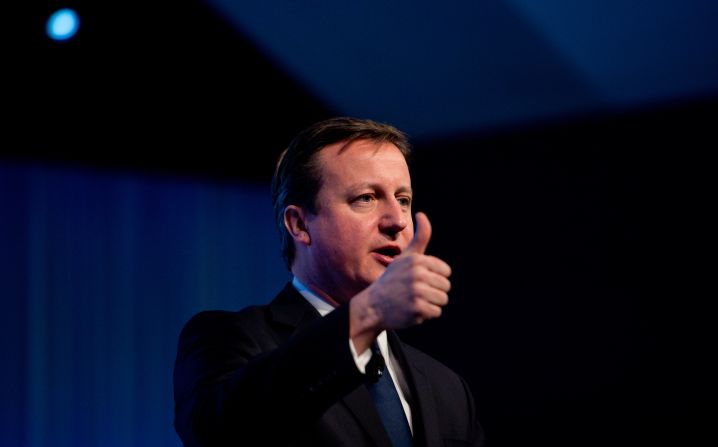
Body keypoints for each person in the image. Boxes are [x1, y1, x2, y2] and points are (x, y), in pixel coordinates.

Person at [173, 117, 484, 446]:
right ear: (299, 224)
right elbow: (220, 432)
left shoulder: (446, 388)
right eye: (365, 197)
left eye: (403, 200)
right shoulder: (228, 339)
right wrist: (369, 313)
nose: (396, 220)